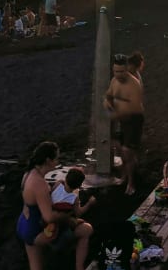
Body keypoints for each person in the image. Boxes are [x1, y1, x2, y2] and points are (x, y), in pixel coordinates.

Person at [16, 141, 93, 270]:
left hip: (24, 224)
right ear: (48, 160)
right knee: (86, 230)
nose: (58, 161)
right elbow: (49, 217)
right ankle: (78, 267)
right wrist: (68, 218)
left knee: (36, 267)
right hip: (38, 231)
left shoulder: (29, 173)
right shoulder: (39, 183)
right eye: (56, 158)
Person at [104, 53, 145, 196]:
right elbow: (109, 95)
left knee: (128, 152)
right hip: (121, 119)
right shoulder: (114, 80)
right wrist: (108, 103)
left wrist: (115, 112)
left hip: (133, 120)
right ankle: (125, 175)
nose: (118, 74)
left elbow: (133, 107)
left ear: (127, 69)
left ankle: (131, 183)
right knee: (119, 148)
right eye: (115, 71)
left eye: (121, 71)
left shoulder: (134, 84)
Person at [42, 167, 97, 240]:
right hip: (62, 220)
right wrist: (89, 203)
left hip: (49, 213)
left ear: (66, 178)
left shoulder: (58, 184)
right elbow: (78, 213)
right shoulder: (74, 198)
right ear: (79, 186)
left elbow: (51, 195)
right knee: (77, 220)